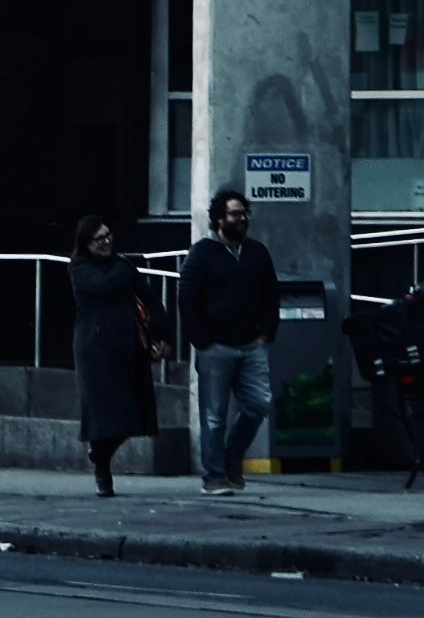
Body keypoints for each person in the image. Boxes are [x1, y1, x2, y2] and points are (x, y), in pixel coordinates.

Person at [180, 185, 281, 497]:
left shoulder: (257, 252)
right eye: (235, 214)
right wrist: (201, 340)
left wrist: (267, 331)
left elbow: (270, 293)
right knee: (213, 416)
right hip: (216, 347)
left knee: (259, 404)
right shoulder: (202, 254)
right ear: (219, 218)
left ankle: (231, 455)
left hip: (252, 344)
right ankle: (214, 476)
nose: (242, 219)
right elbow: (188, 298)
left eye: (244, 213)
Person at [67, 215, 169, 495]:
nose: (106, 242)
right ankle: (103, 473)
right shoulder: (80, 267)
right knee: (104, 415)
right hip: (96, 349)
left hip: (128, 346)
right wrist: (125, 268)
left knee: (131, 414)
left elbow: (149, 296)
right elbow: (105, 285)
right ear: (86, 243)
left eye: (108, 235)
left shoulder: (121, 265)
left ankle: (99, 455)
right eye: (99, 238)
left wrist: (160, 333)